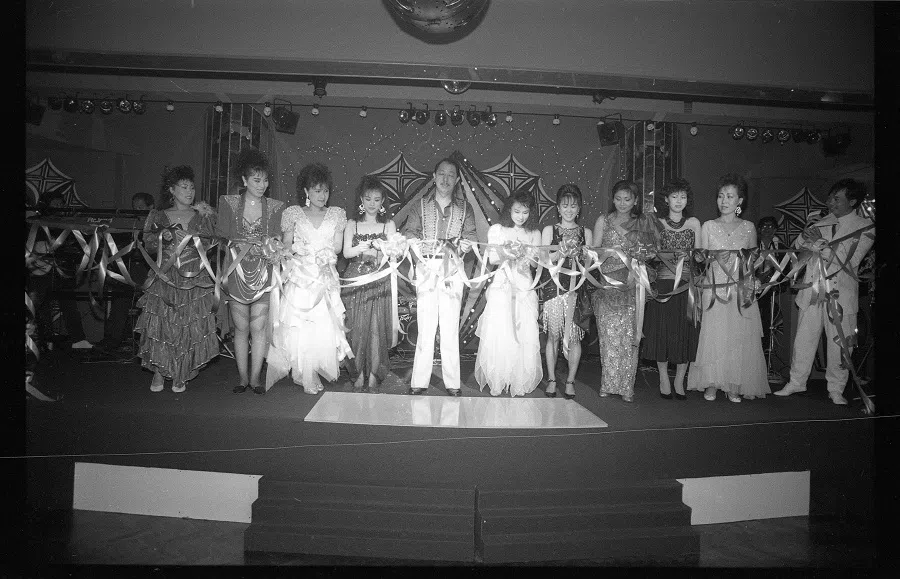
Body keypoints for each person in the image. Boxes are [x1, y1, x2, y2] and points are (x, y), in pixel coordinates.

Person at [774, 179, 874, 405]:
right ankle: (796, 382)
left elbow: (852, 261)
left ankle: (836, 388)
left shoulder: (865, 227)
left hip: (841, 295)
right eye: (830, 198)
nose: (830, 203)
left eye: (836, 199)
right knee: (804, 339)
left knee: (839, 343)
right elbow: (800, 246)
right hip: (812, 290)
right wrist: (807, 231)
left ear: (853, 201)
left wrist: (820, 244)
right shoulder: (822, 220)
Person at [266, 163, 352, 394]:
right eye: (316, 190)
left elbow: (337, 248)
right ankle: (305, 374)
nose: (321, 196)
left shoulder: (336, 214)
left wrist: (324, 255)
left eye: (325, 191)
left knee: (323, 323)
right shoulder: (293, 213)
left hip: (324, 275)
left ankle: (314, 369)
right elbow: (286, 244)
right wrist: (294, 251)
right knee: (300, 325)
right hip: (301, 275)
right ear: (306, 191)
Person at [134, 166, 219, 393]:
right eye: (184, 187)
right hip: (165, 276)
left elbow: (211, 244)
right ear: (172, 190)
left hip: (194, 277)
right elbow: (149, 244)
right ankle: (159, 373)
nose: (189, 191)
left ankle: (181, 373)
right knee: (162, 325)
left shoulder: (202, 216)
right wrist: (164, 236)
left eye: (191, 187)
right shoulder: (158, 215)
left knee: (188, 326)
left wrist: (197, 242)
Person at [687, 174, 769, 402]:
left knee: (737, 338)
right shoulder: (708, 226)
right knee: (714, 336)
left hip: (739, 288)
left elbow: (752, 260)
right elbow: (699, 259)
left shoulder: (749, 227)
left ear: (739, 201)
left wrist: (753, 280)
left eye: (729, 196)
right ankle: (711, 383)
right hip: (715, 288)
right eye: (721, 196)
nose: (724, 201)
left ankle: (733, 384)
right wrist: (712, 257)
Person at [401, 157, 477, 397]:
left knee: (450, 325)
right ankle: (419, 381)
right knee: (425, 325)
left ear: (456, 180)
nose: (445, 179)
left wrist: (465, 246)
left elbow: (472, 236)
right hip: (427, 268)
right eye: (441, 174)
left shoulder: (464, 208)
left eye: (451, 175)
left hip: (453, 270)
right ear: (434, 177)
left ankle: (452, 382)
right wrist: (417, 247)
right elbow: (410, 232)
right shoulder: (420, 205)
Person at [216, 148, 285, 395]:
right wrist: (241, 245)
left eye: (265, 180)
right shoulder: (228, 203)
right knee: (241, 328)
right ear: (244, 181)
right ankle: (242, 378)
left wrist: (271, 246)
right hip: (236, 272)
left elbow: (278, 239)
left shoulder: (276, 207)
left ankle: (256, 378)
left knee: (258, 329)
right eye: (256, 180)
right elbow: (223, 236)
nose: (262, 185)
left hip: (263, 273)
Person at [591, 180, 660, 402]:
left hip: (632, 285)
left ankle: (626, 387)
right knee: (608, 337)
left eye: (627, 199)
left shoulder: (642, 222)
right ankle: (608, 383)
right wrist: (608, 254)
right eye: (618, 198)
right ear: (613, 199)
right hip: (608, 285)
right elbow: (593, 252)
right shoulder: (604, 220)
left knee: (630, 336)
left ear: (636, 201)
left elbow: (651, 252)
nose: (622, 203)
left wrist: (640, 259)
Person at [474, 190, 543, 397]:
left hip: (523, 286)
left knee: (524, 333)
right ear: (509, 210)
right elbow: (493, 259)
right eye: (517, 211)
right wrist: (508, 251)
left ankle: (518, 382)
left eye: (525, 212)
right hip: (502, 285)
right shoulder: (498, 229)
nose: (521, 216)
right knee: (499, 332)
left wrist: (526, 252)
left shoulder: (534, 233)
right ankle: (498, 381)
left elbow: (534, 263)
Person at [641, 178, 702, 400]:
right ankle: (663, 378)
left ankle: (680, 379)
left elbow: (700, 255)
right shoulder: (658, 223)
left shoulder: (694, 223)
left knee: (685, 332)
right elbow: (649, 255)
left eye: (683, 196)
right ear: (666, 200)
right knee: (662, 332)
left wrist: (696, 255)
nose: (679, 201)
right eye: (674, 196)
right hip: (665, 285)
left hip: (687, 286)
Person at [341, 176, 397, 393]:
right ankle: (358, 374)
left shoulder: (388, 225)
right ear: (361, 200)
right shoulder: (351, 224)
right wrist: (363, 247)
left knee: (376, 330)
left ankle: (373, 375)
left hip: (379, 280)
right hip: (355, 279)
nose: (372, 203)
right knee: (356, 329)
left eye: (377, 199)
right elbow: (346, 252)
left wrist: (383, 248)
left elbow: (394, 255)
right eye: (368, 199)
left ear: (383, 201)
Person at [539, 184, 593, 399]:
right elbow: (543, 260)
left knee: (575, 337)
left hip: (577, 290)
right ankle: (552, 379)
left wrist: (581, 254)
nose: (569, 210)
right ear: (558, 208)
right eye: (565, 206)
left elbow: (591, 263)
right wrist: (558, 253)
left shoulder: (585, 232)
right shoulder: (549, 230)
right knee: (553, 335)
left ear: (579, 208)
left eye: (573, 206)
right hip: (554, 287)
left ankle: (570, 381)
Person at [97, 192, 156, 355]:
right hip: (131, 272)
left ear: (151, 207)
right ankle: (113, 340)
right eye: (134, 208)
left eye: (141, 208)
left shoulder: (157, 224)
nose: (137, 211)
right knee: (120, 300)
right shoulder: (128, 224)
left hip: (151, 274)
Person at [755, 216, 785, 353]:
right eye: (764, 226)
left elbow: (786, 268)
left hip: (771, 290)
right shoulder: (753, 245)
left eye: (771, 226)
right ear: (759, 229)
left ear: (776, 230)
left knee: (768, 321)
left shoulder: (780, 247)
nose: (767, 229)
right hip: (754, 289)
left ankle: (766, 349)